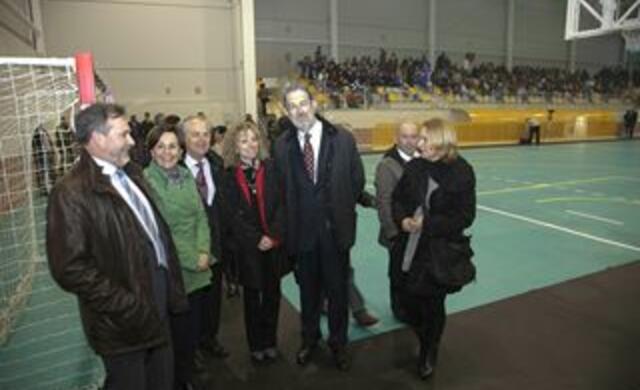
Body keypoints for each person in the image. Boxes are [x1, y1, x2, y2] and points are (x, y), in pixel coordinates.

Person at [46, 103, 188, 390]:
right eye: (124, 135)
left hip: (155, 302)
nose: (132, 141)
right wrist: (127, 305)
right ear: (98, 138)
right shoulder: (70, 193)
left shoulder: (131, 172)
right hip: (122, 323)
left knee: (162, 380)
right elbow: (69, 268)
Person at [274, 84, 365, 371]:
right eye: (292, 106)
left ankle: (338, 344)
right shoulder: (281, 146)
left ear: (314, 104)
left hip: (335, 234)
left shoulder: (344, 140)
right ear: (286, 112)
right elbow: (280, 192)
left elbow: (356, 181)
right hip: (302, 236)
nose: (299, 110)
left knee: (338, 294)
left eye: (303, 103)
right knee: (308, 295)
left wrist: (337, 210)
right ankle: (309, 340)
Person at [391, 118, 476, 380]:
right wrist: (403, 219)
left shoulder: (461, 171)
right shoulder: (416, 166)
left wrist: (429, 223)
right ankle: (423, 334)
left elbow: (465, 216)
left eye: (425, 139)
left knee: (433, 303)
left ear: (441, 141)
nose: (419, 143)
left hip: (438, 251)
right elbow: (398, 199)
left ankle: (430, 349)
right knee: (406, 301)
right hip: (410, 248)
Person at [143, 125, 212, 390]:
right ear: (151, 151)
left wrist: (204, 250)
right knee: (172, 338)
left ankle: (184, 378)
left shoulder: (185, 174)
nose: (167, 152)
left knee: (190, 335)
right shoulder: (147, 182)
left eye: (172, 146)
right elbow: (162, 232)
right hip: (172, 273)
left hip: (197, 269)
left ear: (181, 150)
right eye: (161, 146)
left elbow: (200, 217)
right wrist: (192, 259)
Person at [221, 121, 289, 363]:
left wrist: (273, 236)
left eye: (253, 139)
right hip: (248, 247)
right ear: (235, 147)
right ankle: (256, 345)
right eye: (243, 141)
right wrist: (256, 238)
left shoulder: (271, 169)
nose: (250, 145)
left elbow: (282, 205)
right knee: (252, 298)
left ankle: (270, 341)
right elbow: (232, 215)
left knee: (272, 295)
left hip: (272, 244)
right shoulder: (229, 176)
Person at [180, 115, 229, 359]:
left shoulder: (217, 164)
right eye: (195, 134)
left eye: (205, 134)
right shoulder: (174, 170)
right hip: (189, 253)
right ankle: (192, 349)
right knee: (191, 304)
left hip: (216, 247)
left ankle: (210, 338)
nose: (202, 139)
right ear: (184, 138)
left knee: (213, 301)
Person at [374, 120, 420, 323]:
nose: (409, 141)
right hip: (398, 233)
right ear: (396, 138)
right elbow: (384, 202)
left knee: (416, 272)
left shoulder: (422, 159)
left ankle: (414, 305)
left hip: (419, 232)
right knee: (398, 273)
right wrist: (393, 234)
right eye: (405, 136)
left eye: (413, 136)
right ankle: (399, 309)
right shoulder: (387, 165)